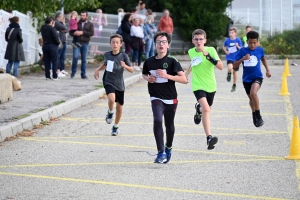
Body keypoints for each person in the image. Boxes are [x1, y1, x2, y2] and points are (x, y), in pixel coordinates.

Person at [142, 31, 188, 163]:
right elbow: (144, 74)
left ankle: (168, 147)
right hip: (155, 96)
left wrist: (167, 76)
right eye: (158, 42)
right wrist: (148, 78)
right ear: (155, 45)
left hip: (170, 98)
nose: (161, 44)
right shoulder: (149, 61)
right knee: (157, 120)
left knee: (169, 125)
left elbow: (184, 79)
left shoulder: (172, 61)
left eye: (164, 42)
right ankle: (160, 152)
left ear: (168, 45)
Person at [185, 29, 223, 150]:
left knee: (206, 109)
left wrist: (209, 57)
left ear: (205, 40)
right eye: (196, 39)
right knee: (207, 109)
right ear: (192, 41)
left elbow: (221, 66)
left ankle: (198, 109)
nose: (199, 41)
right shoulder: (191, 51)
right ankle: (209, 138)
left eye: (201, 39)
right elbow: (193, 63)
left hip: (211, 85)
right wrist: (185, 75)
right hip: (197, 85)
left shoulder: (211, 50)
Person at [94, 34, 134, 136]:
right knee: (111, 99)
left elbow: (132, 70)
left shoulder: (124, 56)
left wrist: (125, 66)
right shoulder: (107, 54)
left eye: (117, 42)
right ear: (110, 44)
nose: (115, 44)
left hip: (119, 83)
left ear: (120, 44)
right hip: (108, 80)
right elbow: (105, 64)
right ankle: (110, 112)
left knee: (119, 108)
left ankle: (115, 126)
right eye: (113, 42)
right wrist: (98, 69)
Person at [233, 31, 271, 127]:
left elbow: (263, 59)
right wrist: (243, 59)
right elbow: (234, 65)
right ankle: (254, 114)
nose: (252, 45)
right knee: (251, 100)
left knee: (254, 93)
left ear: (257, 42)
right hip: (246, 79)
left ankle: (258, 115)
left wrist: (267, 70)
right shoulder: (242, 51)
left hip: (257, 76)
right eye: (250, 43)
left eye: (254, 43)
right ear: (247, 41)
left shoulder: (260, 50)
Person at [71, 11, 94, 79]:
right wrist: (74, 33)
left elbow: (91, 33)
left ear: (86, 16)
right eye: (81, 15)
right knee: (75, 57)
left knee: (84, 59)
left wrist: (82, 32)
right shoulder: (77, 22)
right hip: (76, 42)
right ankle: (73, 72)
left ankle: (83, 74)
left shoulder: (90, 24)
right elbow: (71, 31)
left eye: (83, 15)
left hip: (85, 43)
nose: (82, 17)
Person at [223, 27, 242, 92]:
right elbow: (224, 46)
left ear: (235, 33)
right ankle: (229, 74)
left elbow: (241, 49)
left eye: (232, 32)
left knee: (235, 72)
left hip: (236, 58)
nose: (231, 34)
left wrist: (237, 46)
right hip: (229, 57)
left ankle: (234, 85)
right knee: (230, 68)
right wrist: (226, 51)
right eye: (230, 32)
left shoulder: (238, 40)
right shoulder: (227, 40)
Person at [54, 11, 68, 77]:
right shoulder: (56, 22)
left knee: (62, 56)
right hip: (60, 41)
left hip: (63, 41)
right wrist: (63, 28)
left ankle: (61, 69)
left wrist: (64, 27)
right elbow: (64, 28)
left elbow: (66, 29)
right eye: (62, 16)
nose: (63, 17)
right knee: (58, 56)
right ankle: (57, 70)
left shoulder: (61, 23)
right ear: (59, 16)